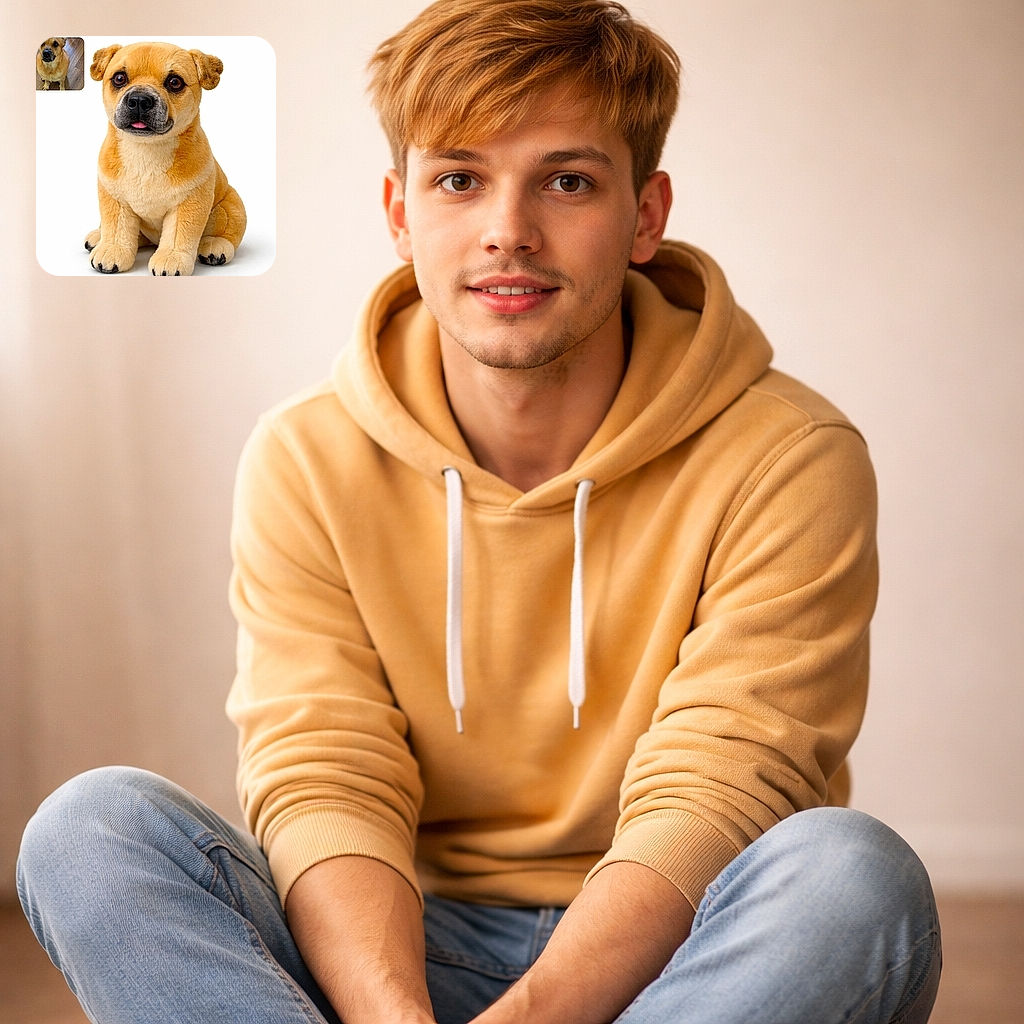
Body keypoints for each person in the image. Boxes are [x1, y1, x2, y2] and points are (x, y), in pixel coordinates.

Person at [17, 2, 942, 1022]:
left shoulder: (787, 453)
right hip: (398, 942)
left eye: (568, 180)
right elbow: (327, 772)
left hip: (681, 952)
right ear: (401, 212)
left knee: (851, 876)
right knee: (89, 830)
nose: (509, 229)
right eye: (459, 178)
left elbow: (724, 783)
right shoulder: (307, 455)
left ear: (644, 214)